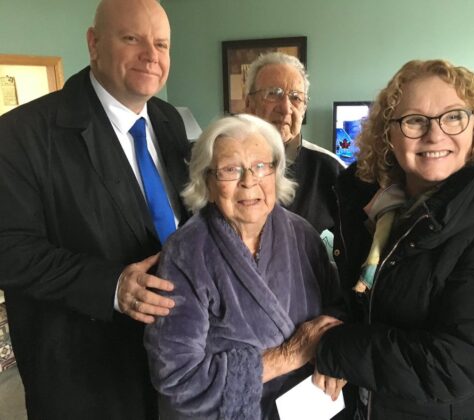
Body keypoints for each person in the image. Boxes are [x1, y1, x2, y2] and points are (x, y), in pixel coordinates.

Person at [313, 59, 474, 419]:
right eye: (415, 120)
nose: (434, 135)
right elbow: (359, 301)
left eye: (453, 117)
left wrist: (332, 348)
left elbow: (454, 365)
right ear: (388, 135)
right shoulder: (374, 207)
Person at [0, 0, 191, 418]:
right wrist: (112, 287)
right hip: (87, 378)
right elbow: (9, 250)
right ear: (94, 43)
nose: (151, 55)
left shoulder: (169, 121)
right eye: (132, 38)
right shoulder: (20, 135)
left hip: (174, 362)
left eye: (161, 44)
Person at [144, 114, 344, 419]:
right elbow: (177, 378)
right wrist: (288, 356)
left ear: (276, 173)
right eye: (230, 170)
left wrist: (333, 351)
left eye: (261, 166)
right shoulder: (186, 252)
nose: (249, 181)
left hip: (309, 407)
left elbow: (338, 308)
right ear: (208, 182)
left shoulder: (302, 234)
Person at [245, 52, 346, 236]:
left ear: (304, 109)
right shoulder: (224, 168)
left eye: (296, 98)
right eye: (273, 94)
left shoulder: (332, 171)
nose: (286, 108)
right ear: (249, 104)